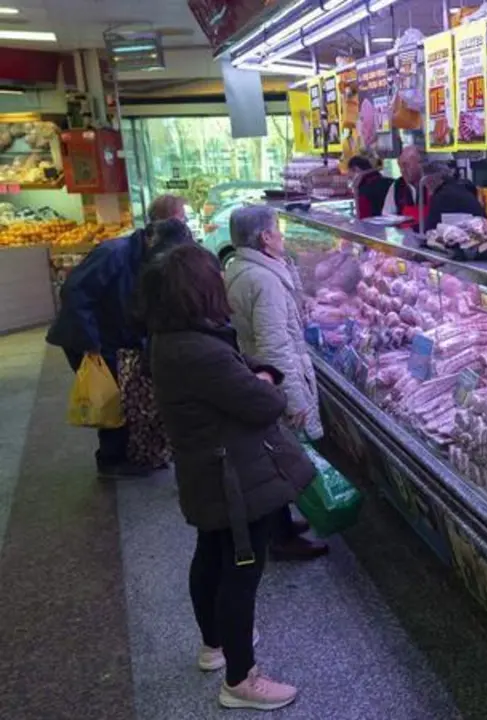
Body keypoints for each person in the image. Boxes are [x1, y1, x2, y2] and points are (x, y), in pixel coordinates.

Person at [141, 244, 312, 711]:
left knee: (211, 555)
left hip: (205, 468)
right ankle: (241, 679)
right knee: (241, 571)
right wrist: (266, 382)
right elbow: (264, 406)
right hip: (234, 476)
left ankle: (213, 645)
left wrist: (247, 378)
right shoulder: (200, 351)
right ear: (199, 291)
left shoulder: (171, 338)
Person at [46, 194, 188, 477]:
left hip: (113, 335)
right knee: (111, 396)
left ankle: (126, 453)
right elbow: (74, 292)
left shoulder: (149, 257)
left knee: (123, 393)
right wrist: (91, 345)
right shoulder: (114, 253)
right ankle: (111, 461)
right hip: (89, 337)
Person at [224, 205, 329, 562]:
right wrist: (293, 398)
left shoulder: (240, 267)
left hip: (258, 374)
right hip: (273, 379)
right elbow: (274, 347)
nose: (282, 236)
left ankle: (281, 523)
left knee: (272, 455)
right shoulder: (264, 280)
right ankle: (281, 535)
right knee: (278, 456)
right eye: (278, 230)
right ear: (266, 237)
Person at [421, 160, 487, 231]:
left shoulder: (441, 196)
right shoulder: (462, 187)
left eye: (426, 180)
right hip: (486, 231)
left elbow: (429, 229)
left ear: (431, 179)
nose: (425, 185)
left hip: (473, 236)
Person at [381, 145, 425, 225]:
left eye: (406, 165)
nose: (402, 170)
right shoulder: (396, 186)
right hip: (404, 234)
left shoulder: (431, 184)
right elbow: (387, 216)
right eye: (400, 166)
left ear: (420, 164)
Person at [347, 155, 393, 220]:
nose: (349, 176)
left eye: (350, 175)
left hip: (372, 227)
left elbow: (362, 218)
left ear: (356, 169)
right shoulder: (389, 181)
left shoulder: (364, 189)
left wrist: (356, 189)